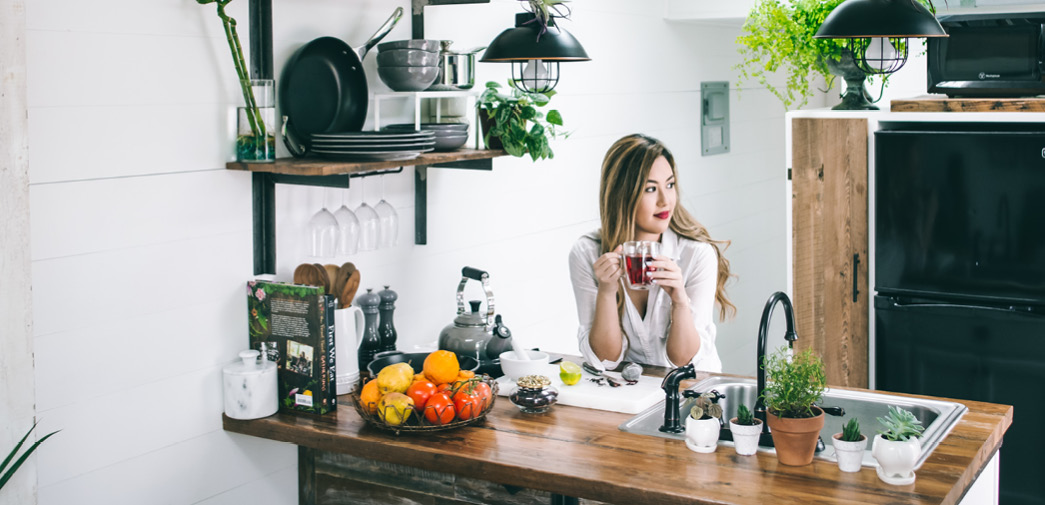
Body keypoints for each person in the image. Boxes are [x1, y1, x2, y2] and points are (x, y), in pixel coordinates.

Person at [568, 134, 735, 372]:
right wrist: (606, 291)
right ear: (622, 195)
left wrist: (679, 300)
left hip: (694, 388)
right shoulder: (587, 253)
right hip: (634, 389)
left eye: (670, 185)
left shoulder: (697, 255)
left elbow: (684, 361)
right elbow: (605, 360)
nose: (665, 200)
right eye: (650, 189)